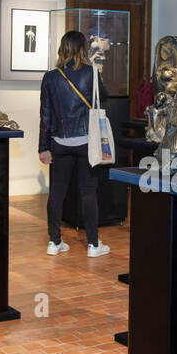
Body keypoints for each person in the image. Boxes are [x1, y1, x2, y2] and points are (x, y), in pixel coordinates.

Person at [38, 30, 110, 258]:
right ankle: (93, 244)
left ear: (62, 49)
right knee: (88, 192)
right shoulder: (92, 73)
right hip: (86, 142)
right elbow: (103, 97)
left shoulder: (50, 77)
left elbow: (45, 115)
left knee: (57, 193)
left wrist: (43, 147)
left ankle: (54, 241)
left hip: (60, 142)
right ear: (82, 49)